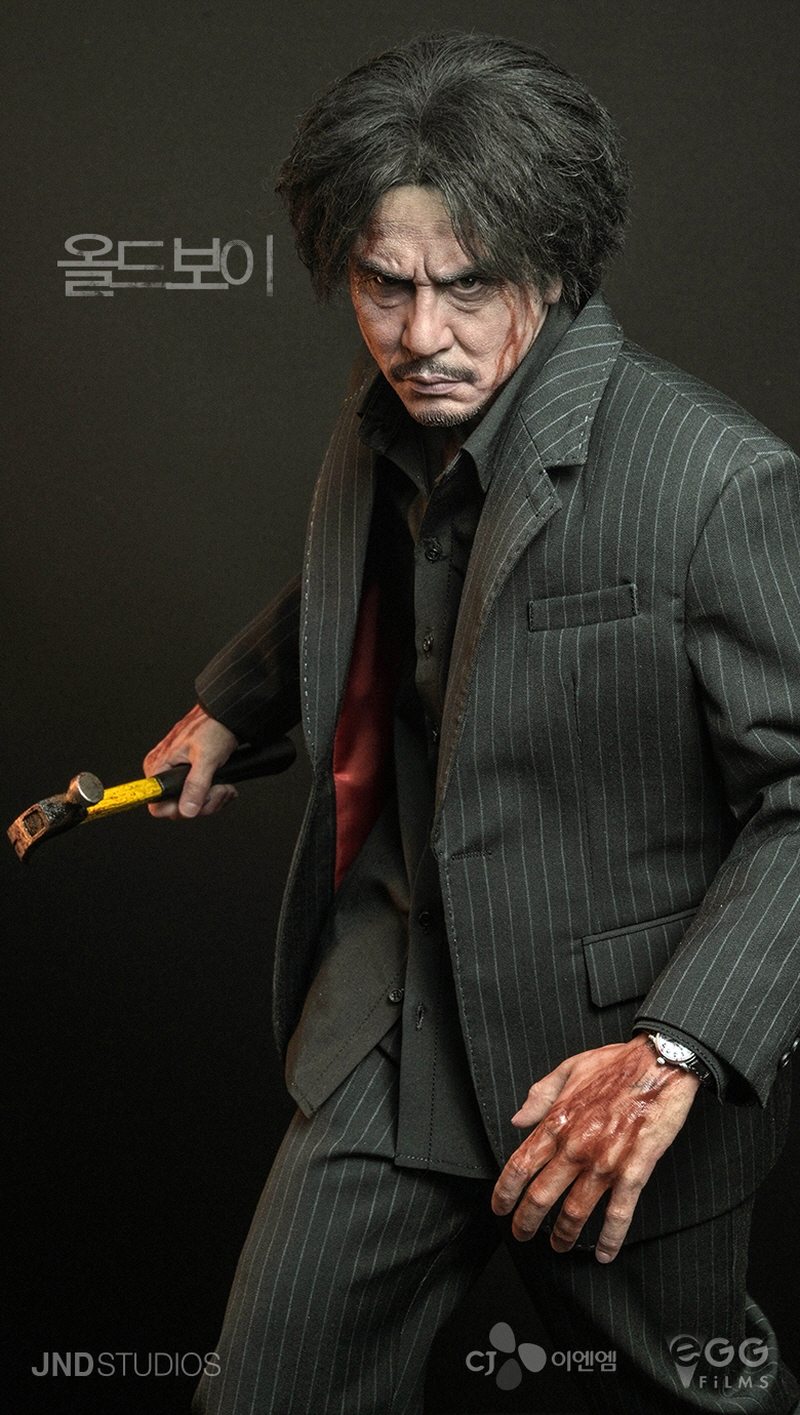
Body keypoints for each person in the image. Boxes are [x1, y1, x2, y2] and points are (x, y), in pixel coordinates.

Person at [144, 31, 800, 1415]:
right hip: (388, 1028)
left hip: (603, 1066)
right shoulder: (390, 416)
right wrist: (232, 702)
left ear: (554, 271)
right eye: (384, 286)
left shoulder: (717, 479)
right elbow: (381, 572)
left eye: (467, 286)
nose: (420, 335)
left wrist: (674, 1049)